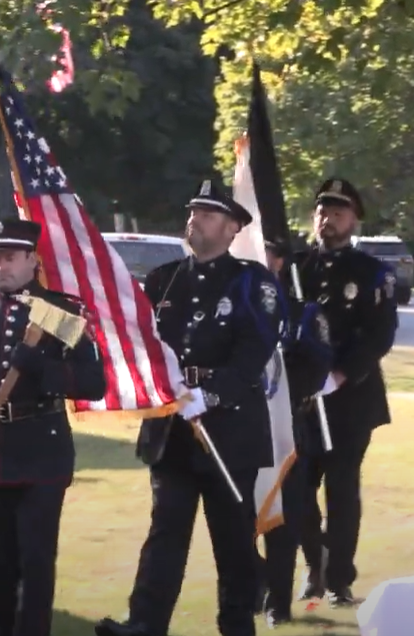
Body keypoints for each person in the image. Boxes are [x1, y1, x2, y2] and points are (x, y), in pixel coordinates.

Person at [95, 180, 284, 636]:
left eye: (209, 213)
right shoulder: (164, 279)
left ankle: (236, 625)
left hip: (229, 432)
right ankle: (145, 622)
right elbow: (143, 345)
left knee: (233, 540)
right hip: (174, 431)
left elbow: (253, 351)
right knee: (166, 532)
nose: (195, 219)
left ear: (233, 227)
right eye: (194, 211)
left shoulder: (251, 282)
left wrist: (212, 392)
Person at [0, 218, 107, 636]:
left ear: (32, 259)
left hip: (41, 451)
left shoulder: (59, 314)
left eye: (11, 257)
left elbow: (93, 382)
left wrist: (44, 368)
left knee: (34, 566)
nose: (2, 267)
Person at [293, 178, 399, 607]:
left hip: (351, 400)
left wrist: (340, 374)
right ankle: (313, 558)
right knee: (296, 490)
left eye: (337, 213)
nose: (327, 220)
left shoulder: (371, 273)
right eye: (322, 211)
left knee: (341, 491)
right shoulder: (297, 269)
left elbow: (380, 334)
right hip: (303, 401)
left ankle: (338, 579)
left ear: (353, 219)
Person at [257, 240, 334, 627]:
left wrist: (275, 379)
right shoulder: (230, 310)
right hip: (238, 427)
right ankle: (253, 586)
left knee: (285, 518)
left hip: (286, 425)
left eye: (264, 253)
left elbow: (317, 367)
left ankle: (278, 602)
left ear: (280, 262)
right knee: (234, 516)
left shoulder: (302, 313)